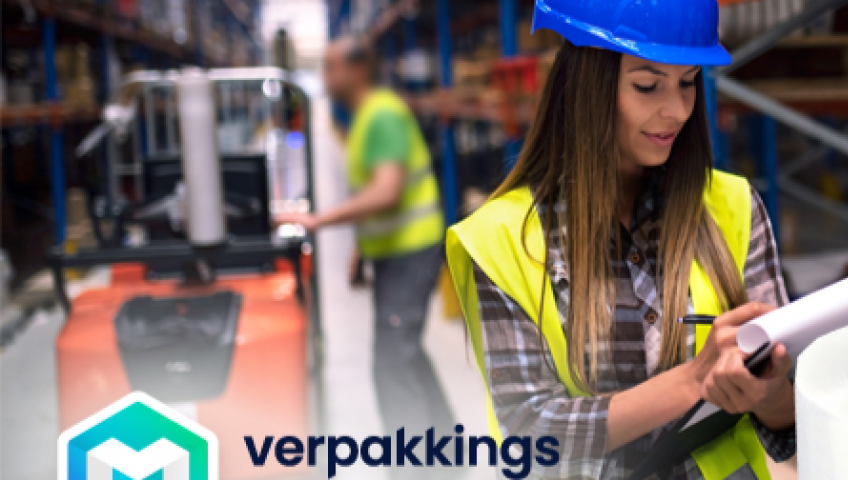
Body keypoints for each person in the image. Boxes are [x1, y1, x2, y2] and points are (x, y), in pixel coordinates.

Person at [445, 1, 796, 478]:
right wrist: (694, 379)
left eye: (689, 82)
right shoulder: (500, 239)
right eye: (647, 85)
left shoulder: (733, 207)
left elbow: (787, 417)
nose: (676, 110)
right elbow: (530, 430)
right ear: (587, 85)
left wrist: (771, 392)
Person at [276, 36, 455, 477]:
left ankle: (414, 471)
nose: (325, 77)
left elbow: (387, 191)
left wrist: (322, 220)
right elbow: (372, 191)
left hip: (413, 250)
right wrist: (361, 249)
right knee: (406, 351)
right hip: (392, 251)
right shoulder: (364, 117)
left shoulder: (382, 115)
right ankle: (448, 452)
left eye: (331, 67)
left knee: (391, 364)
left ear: (356, 71)